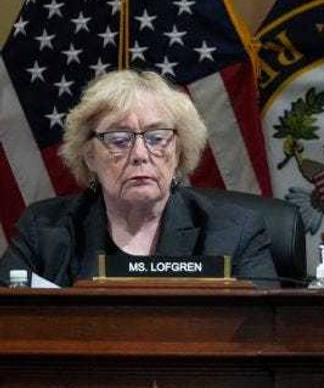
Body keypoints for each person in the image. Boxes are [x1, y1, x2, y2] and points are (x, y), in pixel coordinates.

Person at [0, 70, 277, 287]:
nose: (140, 154)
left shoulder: (233, 232)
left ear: (179, 151)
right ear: (89, 156)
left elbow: (263, 334)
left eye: (157, 138)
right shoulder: (44, 231)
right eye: (119, 140)